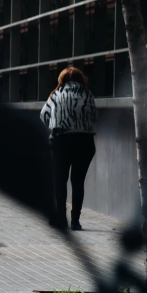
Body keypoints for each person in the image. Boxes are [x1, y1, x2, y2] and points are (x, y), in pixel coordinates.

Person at [41, 66, 98, 230]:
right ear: (81, 79)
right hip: (85, 142)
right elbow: (95, 118)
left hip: (61, 141)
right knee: (78, 182)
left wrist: (55, 125)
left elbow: (43, 115)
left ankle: (61, 218)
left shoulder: (56, 95)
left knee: (60, 181)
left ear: (62, 80)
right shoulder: (88, 95)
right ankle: (75, 221)